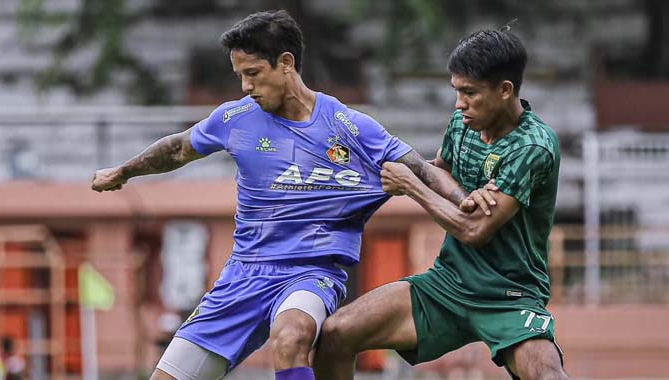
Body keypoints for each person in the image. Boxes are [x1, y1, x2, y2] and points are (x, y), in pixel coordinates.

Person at [91, 10, 485, 380]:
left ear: (286, 63)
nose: (246, 86)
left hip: (311, 273)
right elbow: (178, 148)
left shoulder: (348, 125)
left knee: (291, 335)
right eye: (240, 76)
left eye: (253, 74)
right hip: (243, 275)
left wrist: (465, 200)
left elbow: (421, 169)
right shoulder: (235, 118)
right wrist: (125, 170)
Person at [314, 29, 570, 380]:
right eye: (456, 91)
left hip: (510, 295)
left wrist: (412, 187)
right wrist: (463, 196)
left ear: (505, 90)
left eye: (470, 92)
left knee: (548, 375)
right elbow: (440, 173)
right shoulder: (463, 124)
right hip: (449, 283)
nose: (459, 103)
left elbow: (475, 230)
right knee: (336, 333)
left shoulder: (532, 146)